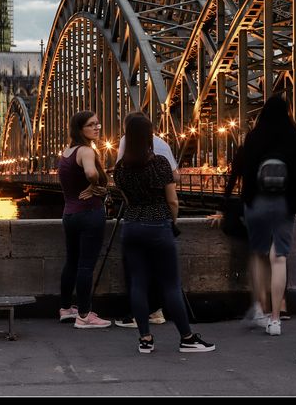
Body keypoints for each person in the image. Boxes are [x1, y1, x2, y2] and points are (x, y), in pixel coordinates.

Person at [113, 114, 215, 354]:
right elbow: (173, 200)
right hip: (157, 226)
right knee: (170, 284)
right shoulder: (159, 163)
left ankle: (145, 339)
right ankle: (187, 338)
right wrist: (171, 221)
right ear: (149, 136)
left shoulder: (120, 168)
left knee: (138, 283)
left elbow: (127, 199)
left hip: (131, 226)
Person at [225, 94, 296, 337]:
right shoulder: (293, 137)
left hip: (256, 203)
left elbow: (239, 169)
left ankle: (259, 309)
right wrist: (295, 205)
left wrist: (234, 198)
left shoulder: (255, 136)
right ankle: (275, 319)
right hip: (283, 204)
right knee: (279, 258)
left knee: (258, 254)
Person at [114, 111, 173, 328]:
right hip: (159, 219)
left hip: (133, 220)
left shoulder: (121, 165)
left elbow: (123, 189)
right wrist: (172, 219)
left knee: (136, 275)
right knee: (165, 274)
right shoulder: (162, 154)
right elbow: (175, 184)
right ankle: (164, 316)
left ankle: (138, 324)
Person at [58, 110, 112, 328]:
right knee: (86, 266)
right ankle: (84, 314)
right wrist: (94, 185)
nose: (97, 127)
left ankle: (65, 308)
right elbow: (90, 173)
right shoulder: (86, 151)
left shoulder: (67, 151)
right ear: (80, 129)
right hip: (89, 213)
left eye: (98, 124)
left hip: (69, 214)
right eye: (91, 125)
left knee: (71, 262)